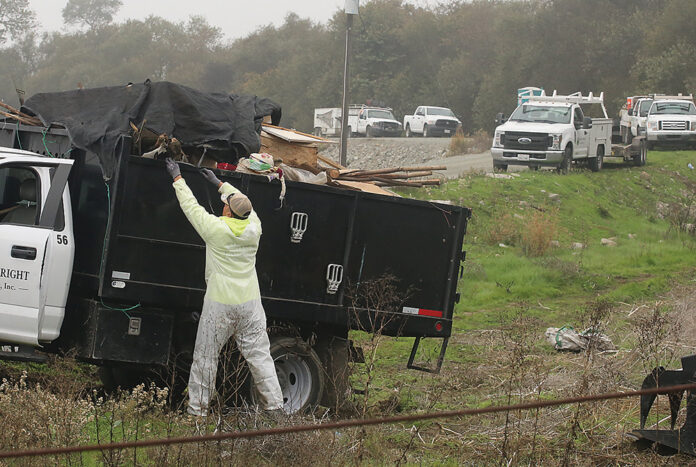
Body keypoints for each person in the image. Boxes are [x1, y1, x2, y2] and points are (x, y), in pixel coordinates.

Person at [164, 157, 284, 416]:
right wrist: (220, 183)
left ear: (228, 211)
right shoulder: (254, 226)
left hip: (220, 306)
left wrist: (177, 178)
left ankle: (197, 413)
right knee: (260, 358)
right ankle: (275, 409)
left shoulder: (216, 230)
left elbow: (191, 207)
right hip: (250, 305)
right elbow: (244, 202)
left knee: (206, 359)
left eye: (225, 205)